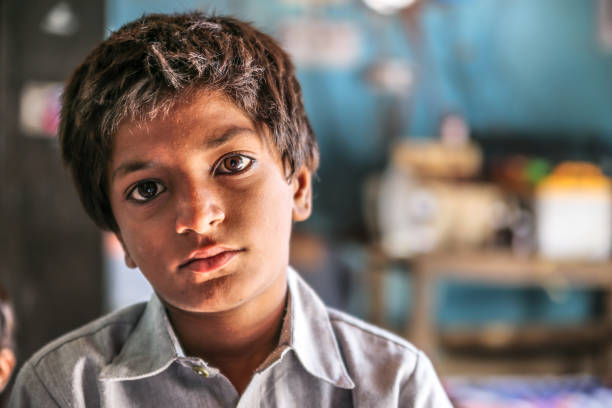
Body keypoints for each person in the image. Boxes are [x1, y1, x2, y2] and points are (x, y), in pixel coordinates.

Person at [9, 12, 452, 407]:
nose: (198, 217)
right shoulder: (66, 390)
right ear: (119, 235)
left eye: (232, 164)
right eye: (147, 190)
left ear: (298, 185)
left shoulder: (394, 387)